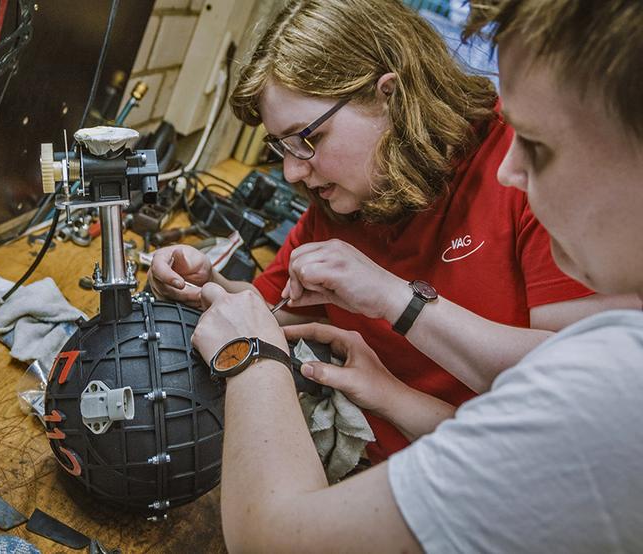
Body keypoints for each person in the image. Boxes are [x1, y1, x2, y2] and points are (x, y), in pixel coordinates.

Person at [188, 0, 643, 551]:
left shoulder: (534, 192)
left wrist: (391, 300)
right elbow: (268, 308)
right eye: (281, 148)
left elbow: (273, 539)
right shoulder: (339, 201)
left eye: (308, 139)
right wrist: (207, 288)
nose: (292, 170)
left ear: (391, 95)